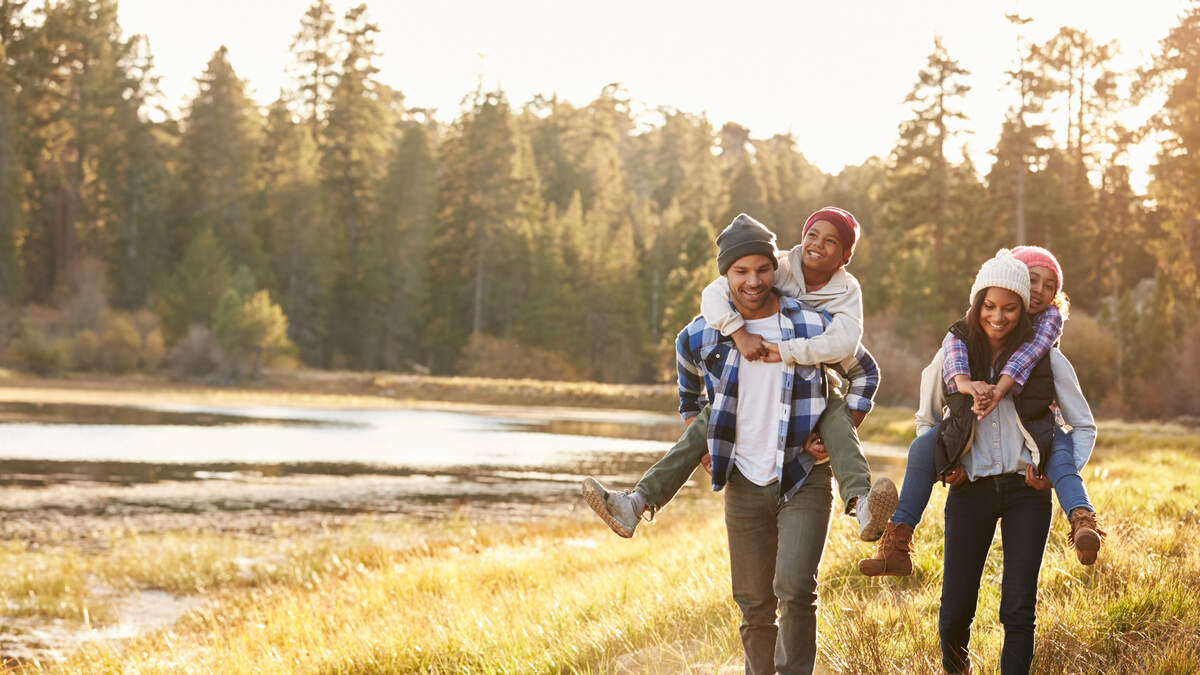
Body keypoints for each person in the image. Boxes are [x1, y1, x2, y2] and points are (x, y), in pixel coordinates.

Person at [625, 216, 880, 673]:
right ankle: (637, 502)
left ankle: (860, 503)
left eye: (762, 269)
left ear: (774, 269)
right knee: (754, 604)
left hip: (802, 475)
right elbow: (689, 390)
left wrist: (841, 425)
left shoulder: (812, 323)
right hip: (743, 479)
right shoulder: (705, 330)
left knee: (795, 589)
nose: (753, 281)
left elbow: (865, 369)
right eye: (740, 272)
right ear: (725, 275)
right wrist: (702, 440)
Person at [582, 209, 896, 543]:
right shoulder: (778, 267)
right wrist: (738, 333)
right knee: (708, 419)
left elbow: (849, 347)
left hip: (814, 384)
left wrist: (832, 431)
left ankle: (862, 503)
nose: (817, 244)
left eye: (831, 240)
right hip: (747, 386)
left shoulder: (845, 293)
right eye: (812, 234)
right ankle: (635, 504)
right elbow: (714, 295)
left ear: (846, 256)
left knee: (836, 416)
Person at [871, 250, 1097, 673]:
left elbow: (1083, 425)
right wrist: (946, 466)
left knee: (1018, 609)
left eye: (1010, 308)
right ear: (977, 305)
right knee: (955, 609)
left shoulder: (1047, 359)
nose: (998, 316)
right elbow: (927, 422)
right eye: (990, 306)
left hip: (1025, 493)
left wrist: (1054, 475)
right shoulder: (952, 358)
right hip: (970, 490)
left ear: (1023, 309)